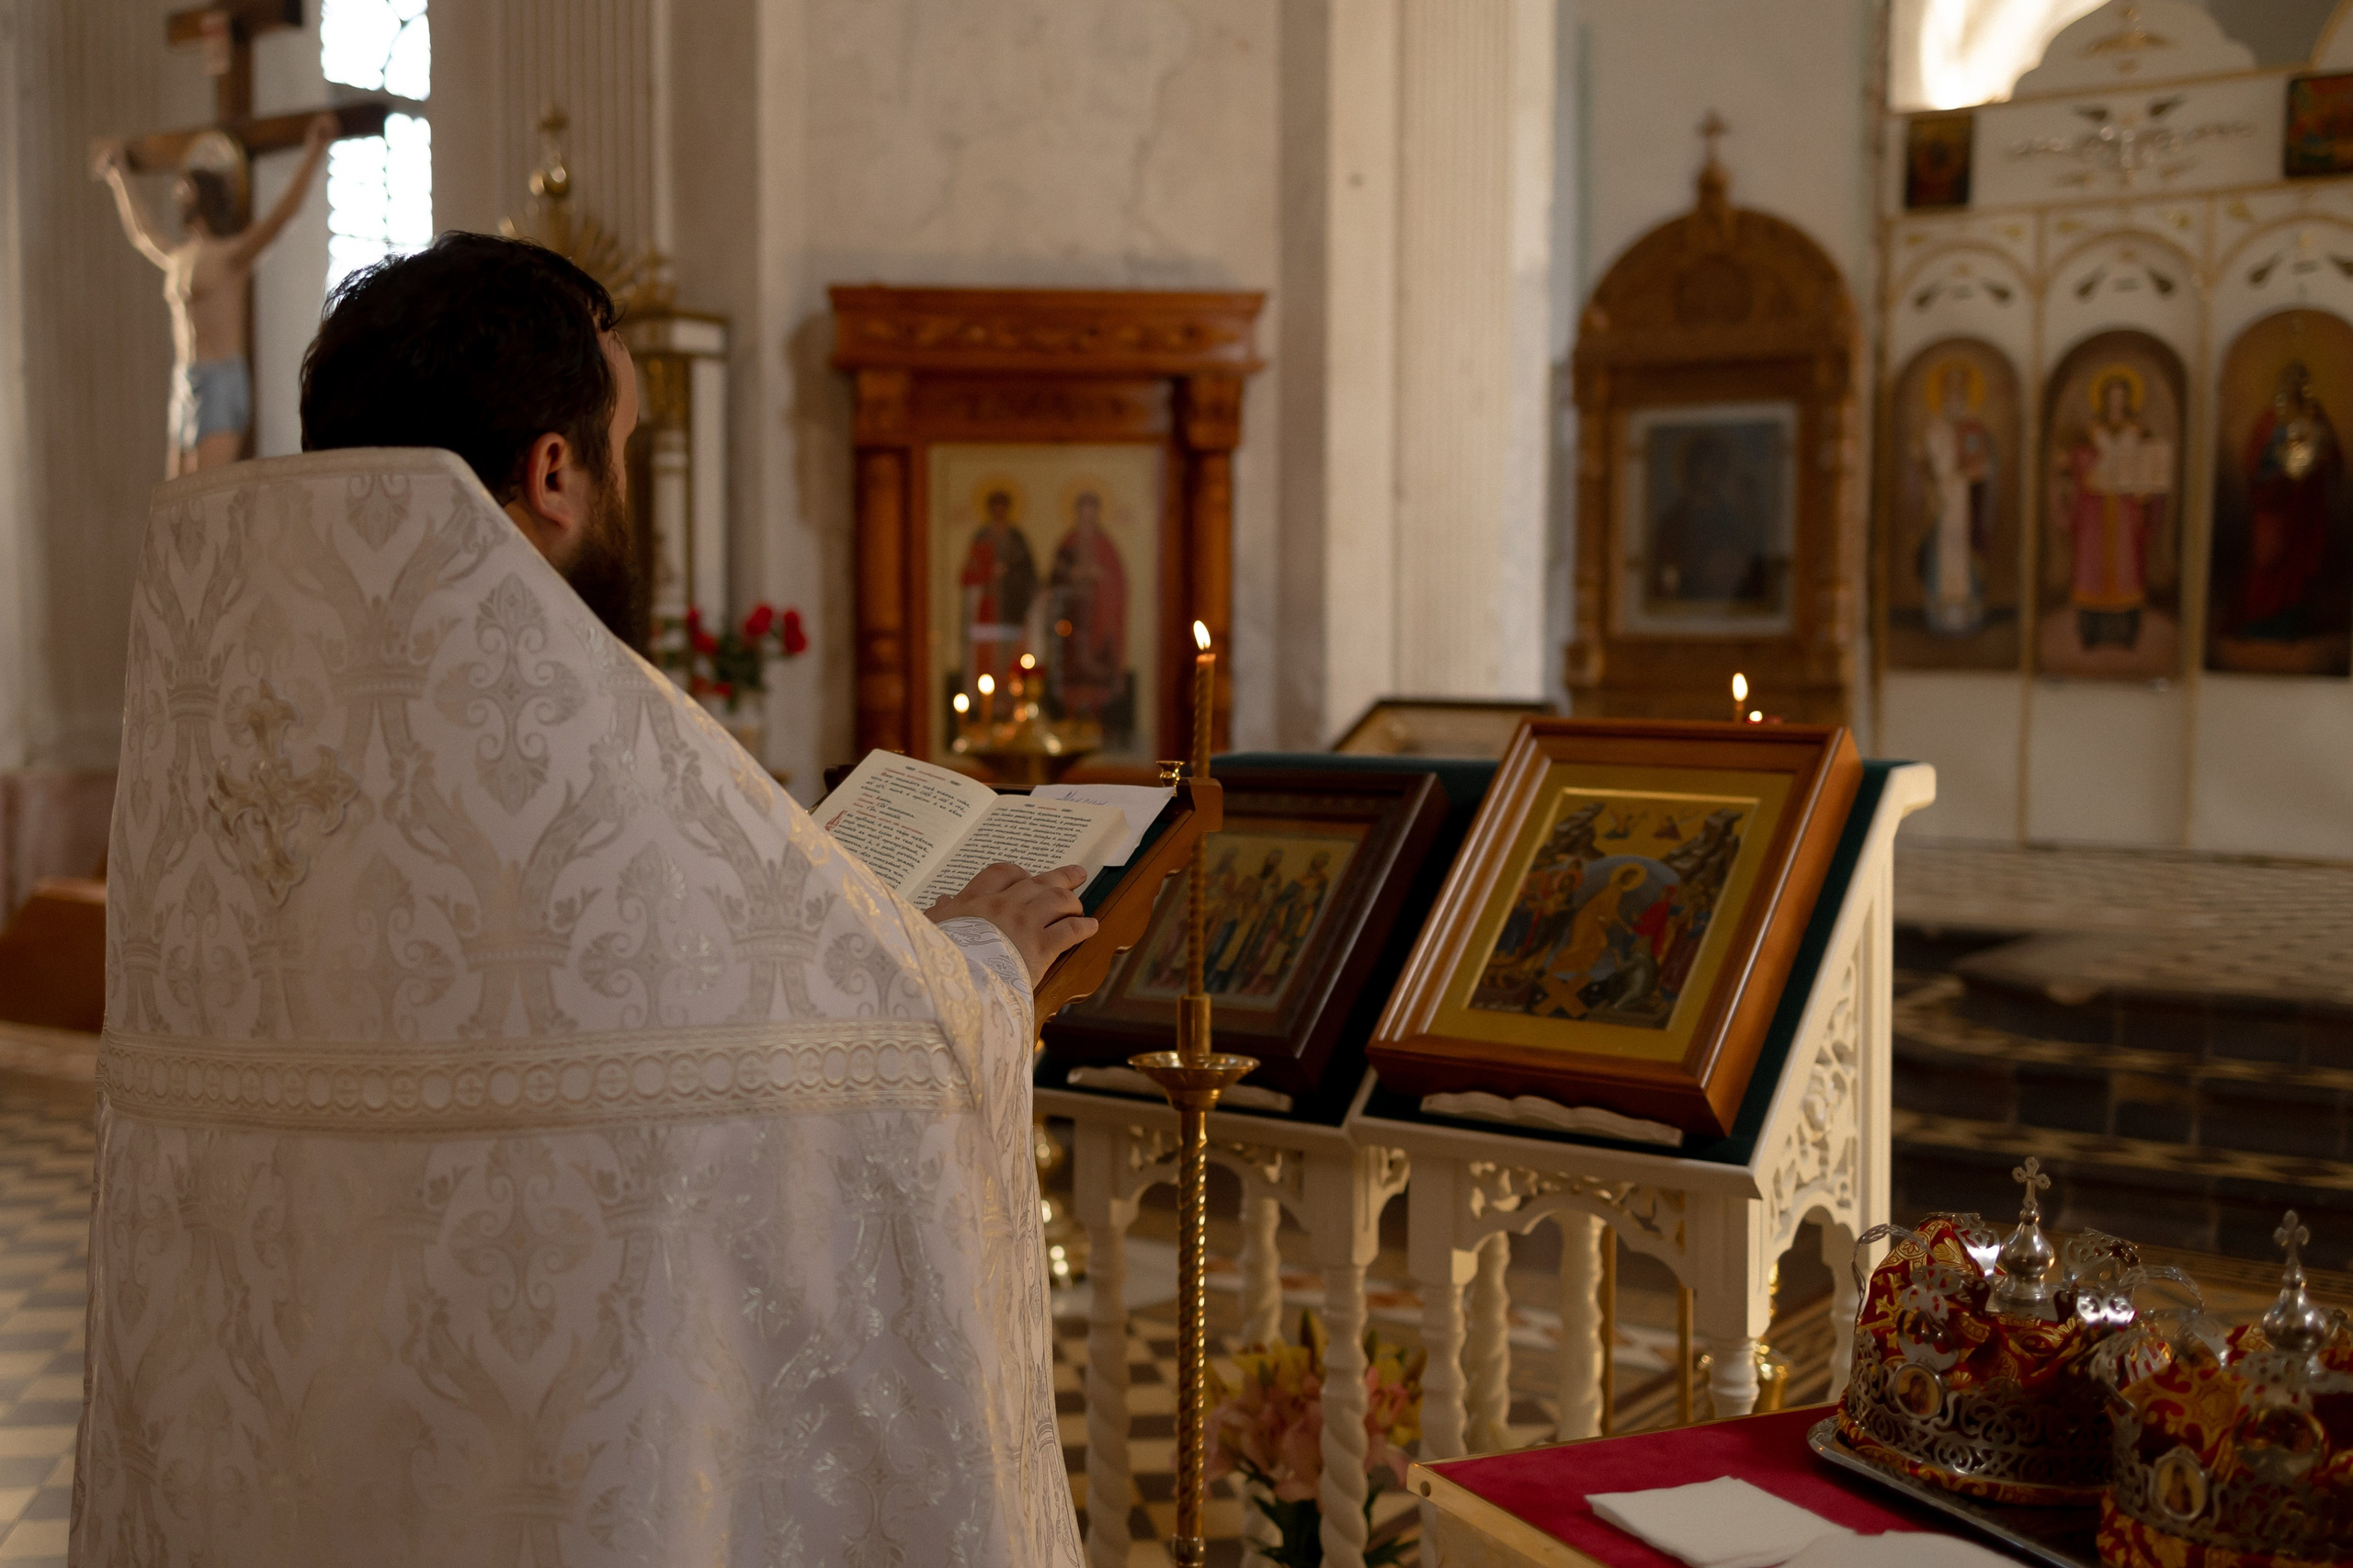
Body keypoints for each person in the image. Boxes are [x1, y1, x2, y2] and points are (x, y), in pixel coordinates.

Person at [77, 233, 1090, 1566]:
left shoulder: (230, 725)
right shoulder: (597, 752)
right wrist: (983, 962)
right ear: (555, 470)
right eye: (628, 446)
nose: (631, 488)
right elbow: (861, 1063)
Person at [95, 115, 337, 476]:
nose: (179, 195)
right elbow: (143, 233)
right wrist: (119, 179)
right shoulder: (179, 257)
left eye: (186, 188)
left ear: (204, 194)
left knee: (202, 493)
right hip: (185, 378)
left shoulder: (230, 256)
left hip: (221, 378)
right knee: (174, 495)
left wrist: (315, 150)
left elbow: (280, 218)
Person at [2057, 369, 2171, 652]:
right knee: (2092, 567)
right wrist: (2084, 462)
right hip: (2095, 509)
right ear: (2105, 400)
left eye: (2121, 397)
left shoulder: (2138, 431)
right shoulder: (2093, 431)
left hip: (2125, 509)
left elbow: (2150, 465)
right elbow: (2080, 461)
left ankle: (2127, 634)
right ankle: (2090, 632)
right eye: (2112, 397)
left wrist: (2146, 484)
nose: (2116, 402)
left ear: (2128, 399)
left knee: (2127, 567)